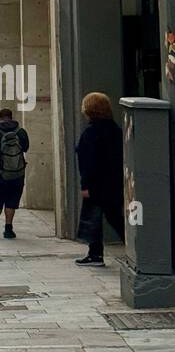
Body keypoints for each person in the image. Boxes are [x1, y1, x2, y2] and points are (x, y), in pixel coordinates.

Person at [75, 92, 124, 267]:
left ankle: (95, 254)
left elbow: (88, 162)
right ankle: (134, 245)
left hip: (96, 183)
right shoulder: (115, 129)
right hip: (113, 182)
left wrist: (85, 185)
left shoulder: (91, 132)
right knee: (114, 216)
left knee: (92, 219)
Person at [0, 107, 30, 238]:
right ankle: (8, 228)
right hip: (16, 174)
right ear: (12, 117)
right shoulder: (21, 132)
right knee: (11, 201)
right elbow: (26, 148)